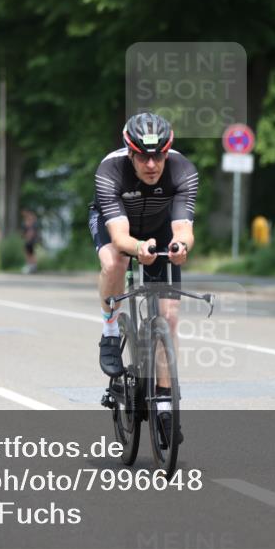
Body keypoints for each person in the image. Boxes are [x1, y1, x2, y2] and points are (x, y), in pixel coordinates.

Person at [88, 112, 198, 441]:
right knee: (115, 263)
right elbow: (120, 237)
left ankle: (164, 402)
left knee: (169, 317)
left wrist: (180, 246)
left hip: (160, 228)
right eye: (143, 157)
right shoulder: (110, 170)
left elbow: (183, 229)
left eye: (158, 156)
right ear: (130, 153)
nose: (152, 165)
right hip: (117, 227)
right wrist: (138, 247)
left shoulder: (183, 170)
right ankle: (110, 330)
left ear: (167, 152)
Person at [21, 209, 39, 274]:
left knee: (30, 253)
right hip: (28, 240)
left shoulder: (31, 222)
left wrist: (28, 237)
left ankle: (32, 266)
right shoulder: (28, 221)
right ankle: (31, 266)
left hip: (30, 240)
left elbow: (31, 232)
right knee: (29, 253)